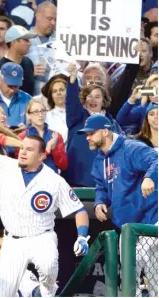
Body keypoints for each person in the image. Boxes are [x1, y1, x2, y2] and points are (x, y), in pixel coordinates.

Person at [0, 116, 90, 297]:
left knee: (48, 266)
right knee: (2, 294)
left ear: (41, 155)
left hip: (42, 238)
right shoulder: (3, 165)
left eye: (29, 150)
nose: (22, 152)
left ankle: (48, 289)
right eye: (22, 147)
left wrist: (82, 237)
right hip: (13, 241)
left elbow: (79, 210)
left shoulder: (54, 180)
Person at [78, 113, 158, 297]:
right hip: (126, 228)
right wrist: (99, 202)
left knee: (153, 280)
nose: (88, 137)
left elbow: (156, 160)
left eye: (91, 133)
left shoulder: (131, 148)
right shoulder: (100, 160)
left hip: (150, 221)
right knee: (129, 281)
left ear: (105, 132)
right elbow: (100, 185)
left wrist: (149, 177)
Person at [62, 64, 121, 187]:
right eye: (89, 96)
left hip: (105, 183)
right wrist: (72, 80)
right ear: (84, 98)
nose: (93, 100)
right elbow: (71, 102)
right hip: (76, 182)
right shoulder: (77, 117)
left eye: (97, 97)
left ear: (103, 100)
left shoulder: (113, 124)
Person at [18, 99, 68, 174]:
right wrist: (48, 149)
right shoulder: (22, 137)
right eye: (36, 112)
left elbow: (63, 166)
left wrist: (54, 149)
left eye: (43, 111)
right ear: (28, 115)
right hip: (30, 180)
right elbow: (21, 164)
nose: (40, 115)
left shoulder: (56, 136)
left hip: (51, 180)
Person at [0, 25, 37, 96]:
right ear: (14, 42)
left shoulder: (28, 62)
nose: (29, 43)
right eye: (26, 40)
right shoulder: (0, 67)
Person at [41, 74, 68, 148]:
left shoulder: (78, 112)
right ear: (51, 96)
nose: (58, 93)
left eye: (61, 90)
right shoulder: (46, 116)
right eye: (55, 91)